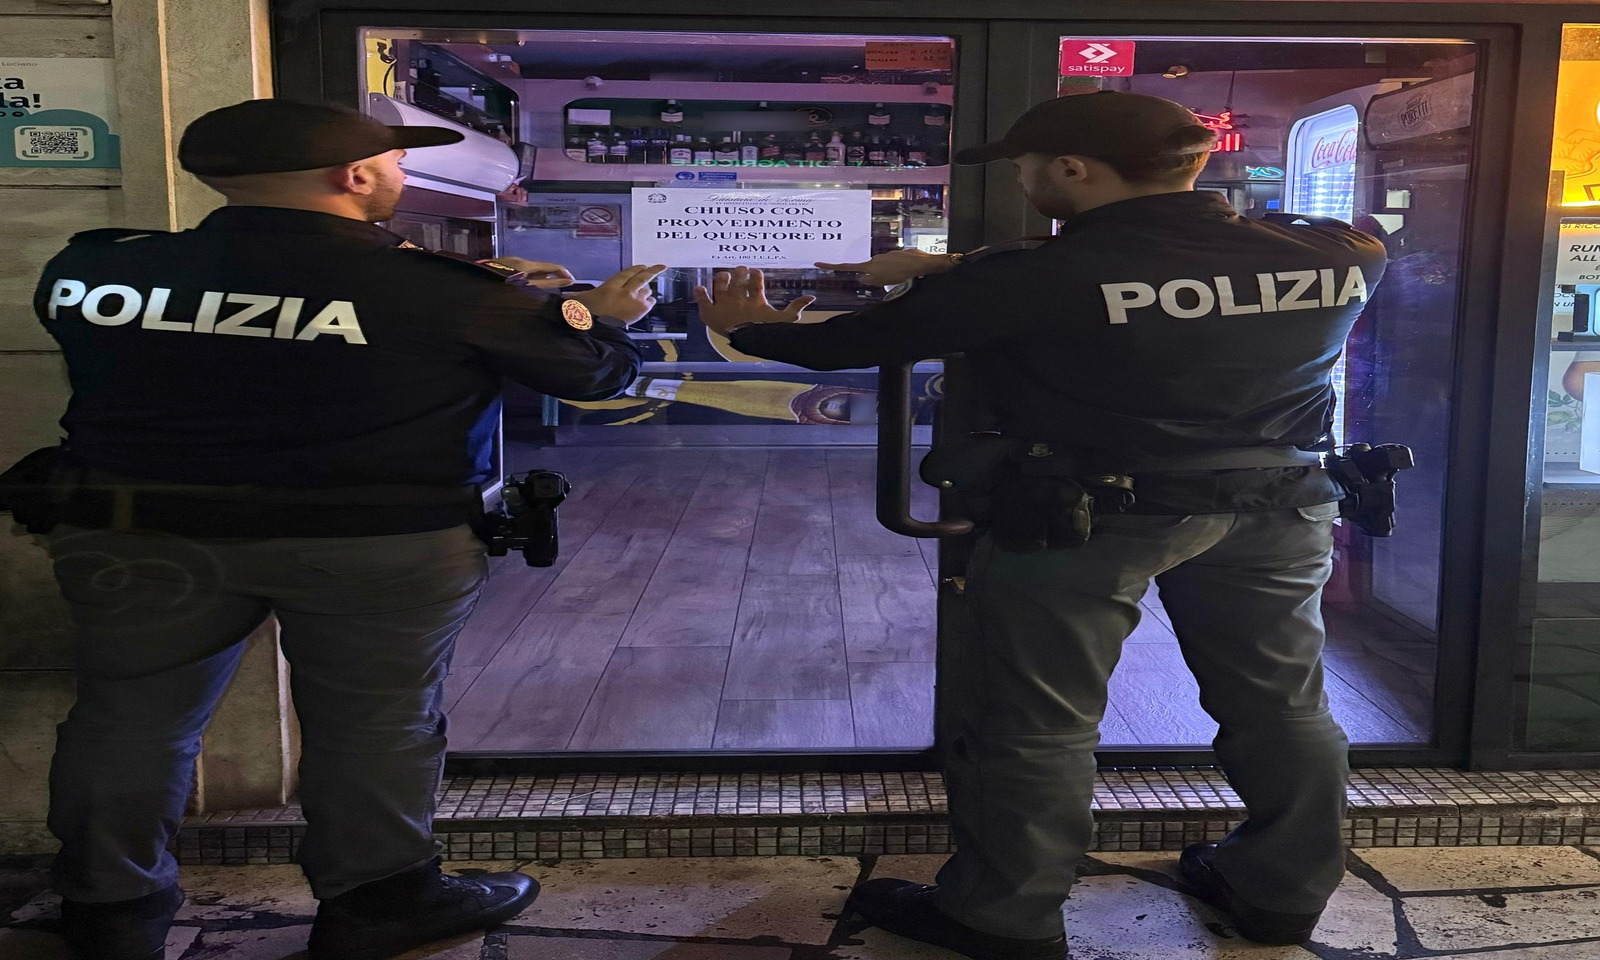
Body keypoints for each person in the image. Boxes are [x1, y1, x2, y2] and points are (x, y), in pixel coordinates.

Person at [695, 91, 1387, 960]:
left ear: (1071, 169)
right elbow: (1145, 271)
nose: (1020, 180)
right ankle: (1280, 894)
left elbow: (848, 344)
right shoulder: (1344, 249)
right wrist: (953, 262)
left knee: (1037, 723)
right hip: (1279, 509)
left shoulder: (1026, 282)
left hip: (1091, 517)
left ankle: (1004, 916)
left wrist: (744, 330)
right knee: (1285, 707)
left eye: (1023, 165)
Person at [27, 98, 662, 960]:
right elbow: (597, 376)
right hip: (377, 548)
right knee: (376, 723)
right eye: (396, 162)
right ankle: (381, 899)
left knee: (127, 719)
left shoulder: (93, 269)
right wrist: (594, 313)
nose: (400, 175)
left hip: (140, 537)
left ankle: (106, 905)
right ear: (354, 175)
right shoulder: (441, 292)